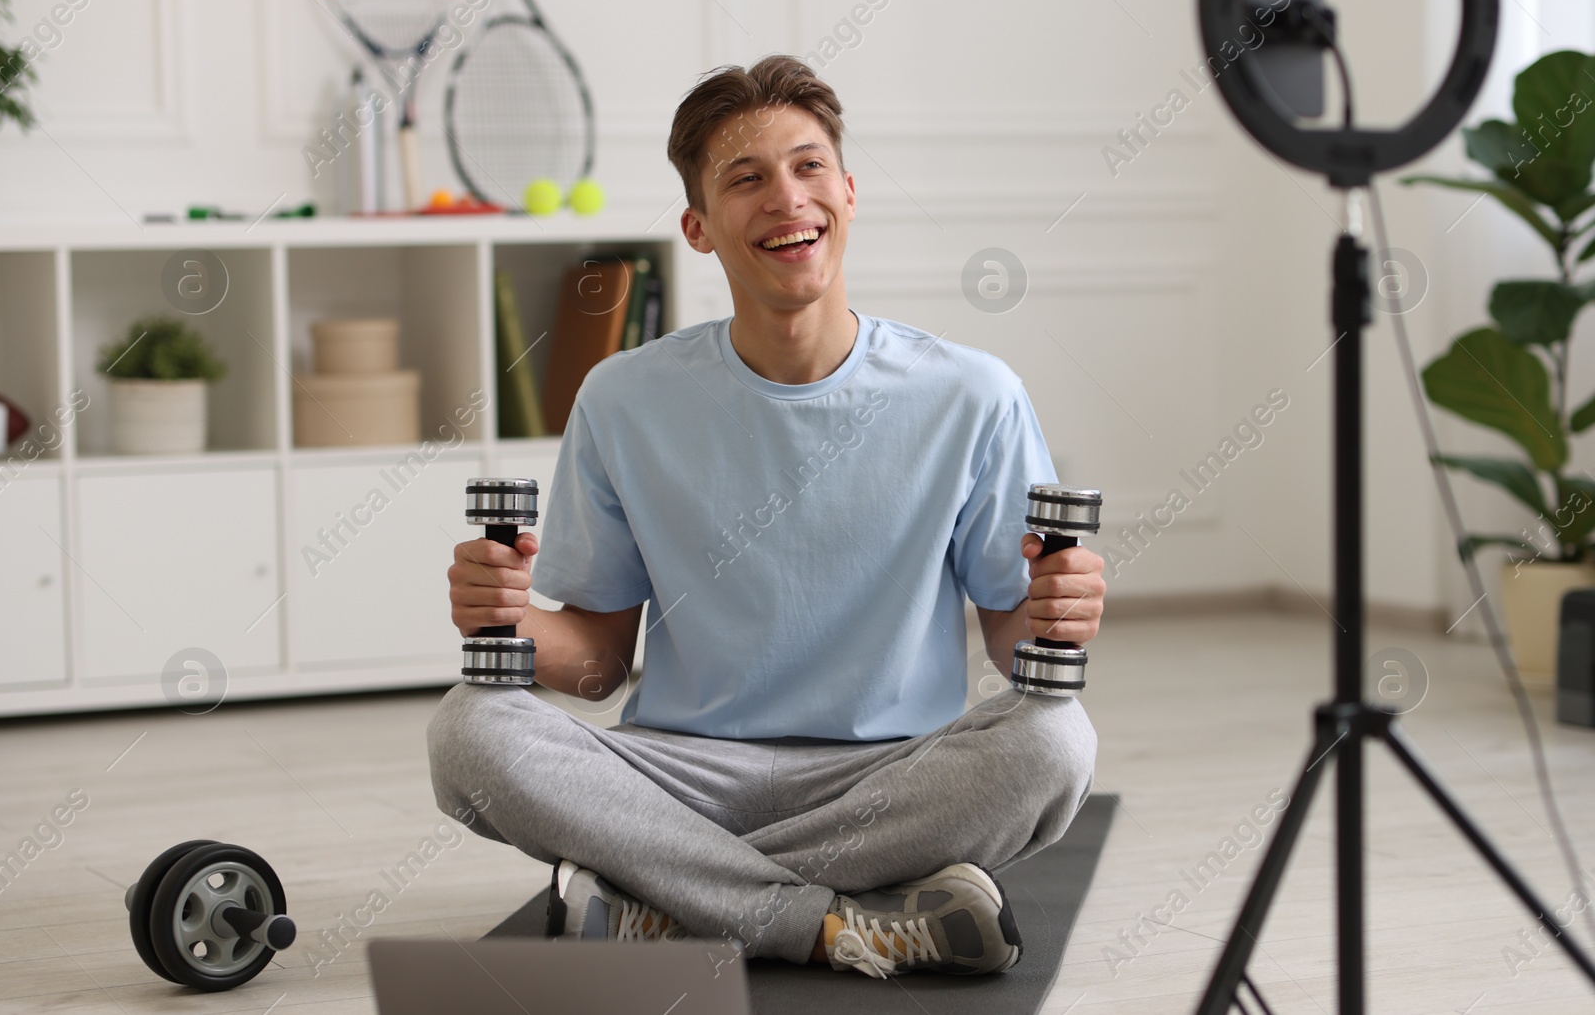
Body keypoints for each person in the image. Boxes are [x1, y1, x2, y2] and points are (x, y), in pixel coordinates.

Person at [429, 54, 1104, 980]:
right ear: (698, 227)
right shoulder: (624, 397)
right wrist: (509, 617)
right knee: (472, 728)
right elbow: (595, 668)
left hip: (884, 780)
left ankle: (671, 900)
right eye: (746, 179)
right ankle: (836, 921)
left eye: (808, 165)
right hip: (683, 775)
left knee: (1056, 739)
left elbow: (1010, 638)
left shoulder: (973, 394)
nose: (787, 198)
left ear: (850, 193)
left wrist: (1058, 608)